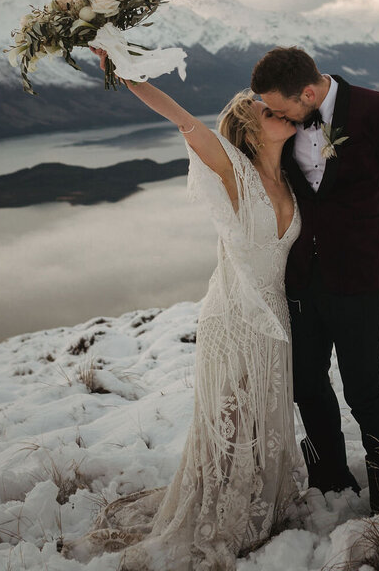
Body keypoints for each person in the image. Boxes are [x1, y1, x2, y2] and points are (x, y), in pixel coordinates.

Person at [84, 49, 302, 570]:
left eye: (284, 109)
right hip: (232, 318)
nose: (284, 113)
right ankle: (219, 515)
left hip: (275, 322)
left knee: (265, 419)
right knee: (229, 422)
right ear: (251, 129)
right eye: (271, 112)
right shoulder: (234, 172)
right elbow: (182, 120)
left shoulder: (290, 180)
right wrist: (124, 69)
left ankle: (259, 505)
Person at [251, 46, 379, 514]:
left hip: (360, 275)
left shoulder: (377, 109)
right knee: (306, 385)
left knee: (364, 389)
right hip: (300, 277)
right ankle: (329, 479)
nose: (274, 116)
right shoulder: (276, 117)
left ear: (307, 92)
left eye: (281, 109)